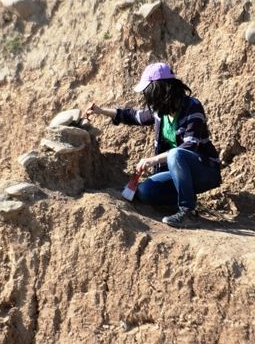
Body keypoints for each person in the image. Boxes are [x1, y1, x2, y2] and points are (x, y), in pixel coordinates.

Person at [84, 62, 221, 228]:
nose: (146, 97)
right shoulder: (160, 111)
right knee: (145, 192)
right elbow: (133, 116)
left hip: (205, 171)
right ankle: (182, 199)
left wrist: (153, 160)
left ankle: (187, 212)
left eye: (148, 92)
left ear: (160, 90)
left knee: (176, 154)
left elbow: (189, 146)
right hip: (178, 172)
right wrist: (101, 111)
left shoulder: (192, 107)